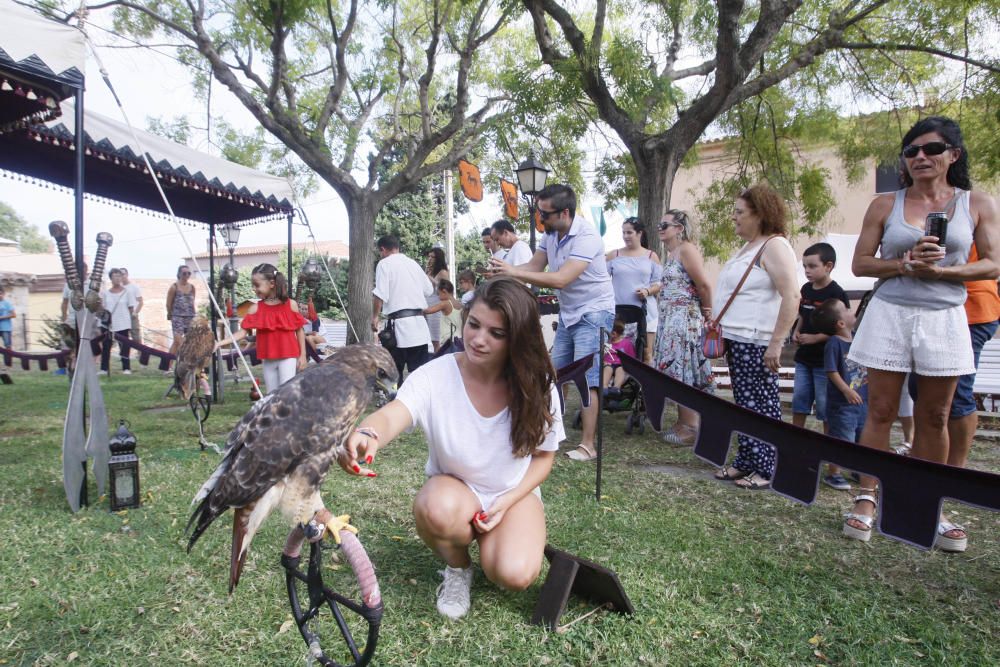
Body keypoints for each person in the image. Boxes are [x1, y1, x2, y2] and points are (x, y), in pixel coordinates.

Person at [339, 277, 565, 620]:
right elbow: (394, 414)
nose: (478, 339)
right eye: (473, 324)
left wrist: (507, 502)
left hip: (512, 493)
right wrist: (369, 433)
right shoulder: (436, 375)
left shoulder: (538, 386)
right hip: (455, 492)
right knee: (435, 506)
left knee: (514, 575)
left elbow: (544, 459)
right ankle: (458, 568)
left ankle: (503, 540)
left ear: (518, 338)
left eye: (496, 333)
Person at [845, 116, 999, 550]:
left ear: (954, 154)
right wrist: (904, 265)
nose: (919, 158)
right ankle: (866, 497)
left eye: (930, 149)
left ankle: (928, 503)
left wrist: (945, 272)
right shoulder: (884, 204)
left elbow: (993, 263)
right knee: (881, 410)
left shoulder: (977, 203)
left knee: (935, 414)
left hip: (945, 317)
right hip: (891, 312)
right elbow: (860, 263)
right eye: (911, 152)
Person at [487, 183, 616, 463]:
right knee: (552, 375)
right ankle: (547, 435)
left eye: (544, 214)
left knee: (587, 379)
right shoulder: (551, 234)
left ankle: (588, 445)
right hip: (570, 313)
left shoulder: (587, 236)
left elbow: (561, 278)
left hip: (595, 312)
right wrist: (503, 273)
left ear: (564, 212)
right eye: (538, 212)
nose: (540, 219)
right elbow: (534, 267)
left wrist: (511, 271)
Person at [712, 184, 800, 490]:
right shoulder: (749, 246)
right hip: (738, 339)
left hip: (758, 341)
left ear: (759, 214)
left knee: (762, 404)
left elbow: (792, 296)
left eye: (739, 212)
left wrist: (776, 342)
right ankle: (746, 460)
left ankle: (766, 466)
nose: (734, 218)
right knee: (745, 405)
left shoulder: (775, 246)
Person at [790, 243, 851, 489]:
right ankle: (794, 451)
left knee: (827, 410)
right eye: (805, 266)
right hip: (804, 359)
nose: (807, 270)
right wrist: (796, 331)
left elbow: (842, 327)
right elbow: (802, 315)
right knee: (799, 404)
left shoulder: (837, 294)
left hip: (826, 364)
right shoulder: (806, 289)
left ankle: (832, 465)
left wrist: (816, 338)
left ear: (828, 266)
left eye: (813, 266)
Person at [651, 210, 715, 445]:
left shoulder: (687, 250)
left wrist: (708, 314)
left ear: (679, 228)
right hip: (670, 320)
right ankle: (683, 421)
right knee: (675, 371)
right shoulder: (672, 254)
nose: (660, 228)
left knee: (684, 371)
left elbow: (704, 285)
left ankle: (691, 426)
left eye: (664, 224)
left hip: (684, 321)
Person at [216, 263, 307, 391]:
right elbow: (242, 333)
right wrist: (220, 343)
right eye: (253, 285)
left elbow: (299, 331)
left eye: (257, 285)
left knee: (286, 394)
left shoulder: (291, 305)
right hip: (268, 359)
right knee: (271, 396)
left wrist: (302, 355)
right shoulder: (255, 309)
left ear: (271, 283)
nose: (254, 288)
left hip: (288, 357)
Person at [371, 235, 434, 379]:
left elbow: (379, 294)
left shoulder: (384, 264)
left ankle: (395, 399)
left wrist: (375, 317)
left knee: (393, 375)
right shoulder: (413, 263)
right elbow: (429, 290)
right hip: (419, 327)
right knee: (420, 375)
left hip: (398, 328)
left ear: (382, 249)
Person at [813, 299, 868, 446]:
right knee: (842, 441)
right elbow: (831, 371)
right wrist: (846, 390)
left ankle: (858, 470)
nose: (851, 310)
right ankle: (835, 470)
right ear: (841, 323)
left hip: (863, 401)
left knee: (862, 440)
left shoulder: (858, 337)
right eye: (846, 310)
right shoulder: (834, 343)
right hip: (843, 405)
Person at [606, 217, 660, 365]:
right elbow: (602, 281)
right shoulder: (614, 255)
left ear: (639, 233)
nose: (625, 236)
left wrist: (647, 291)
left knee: (646, 353)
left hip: (646, 313)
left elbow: (660, 283)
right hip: (619, 314)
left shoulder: (651, 256)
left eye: (629, 232)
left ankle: (647, 386)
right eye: (623, 233)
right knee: (617, 353)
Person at [98, 268, 137, 375]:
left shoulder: (127, 292)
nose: (117, 278)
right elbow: (103, 308)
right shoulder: (106, 293)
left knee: (124, 346)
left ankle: (126, 368)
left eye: (119, 276)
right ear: (111, 278)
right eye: (115, 276)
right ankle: (104, 368)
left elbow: (131, 307)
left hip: (123, 322)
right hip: (109, 324)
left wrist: (130, 319)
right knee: (106, 346)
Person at [166, 265, 196, 359]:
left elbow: (192, 302)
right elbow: (168, 304)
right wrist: (170, 315)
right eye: (184, 273)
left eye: (189, 273)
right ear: (179, 274)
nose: (187, 275)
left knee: (180, 342)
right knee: (179, 341)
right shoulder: (174, 287)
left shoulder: (192, 287)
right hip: (177, 317)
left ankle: (166, 365)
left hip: (190, 317)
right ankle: (186, 361)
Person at [423, 279, 464, 345]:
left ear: (444, 291)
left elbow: (428, 310)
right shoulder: (460, 304)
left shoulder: (445, 303)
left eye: (438, 294)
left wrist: (415, 308)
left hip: (449, 340)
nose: (438, 297)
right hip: (459, 339)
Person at [425, 247, 450, 353]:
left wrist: (429, 277)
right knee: (429, 338)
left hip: (437, 308)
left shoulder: (443, 272)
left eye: (433, 257)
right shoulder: (429, 270)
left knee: (437, 340)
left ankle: (439, 359)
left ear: (438, 258)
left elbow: (445, 289)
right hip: (427, 305)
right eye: (429, 256)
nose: (430, 259)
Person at [602, 320, 636, 395]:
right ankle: (604, 387)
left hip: (621, 364)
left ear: (614, 333)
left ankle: (616, 387)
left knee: (621, 369)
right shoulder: (607, 342)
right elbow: (602, 355)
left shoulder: (627, 343)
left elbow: (631, 357)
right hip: (608, 364)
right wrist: (603, 361)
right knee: (608, 369)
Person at [120, 267, 144, 345]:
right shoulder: (118, 288)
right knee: (122, 337)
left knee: (136, 337)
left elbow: (140, 302)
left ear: (127, 274)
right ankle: (124, 355)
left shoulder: (134, 287)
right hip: (122, 314)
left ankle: (140, 354)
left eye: (123, 274)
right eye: (120, 274)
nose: (122, 276)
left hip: (132, 314)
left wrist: (135, 312)